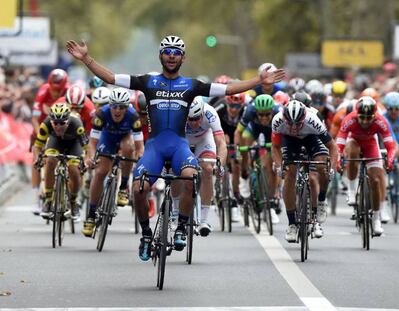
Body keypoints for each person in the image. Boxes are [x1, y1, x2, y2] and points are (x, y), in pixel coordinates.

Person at [66, 35, 285, 260]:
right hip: (154, 148)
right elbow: (110, 77)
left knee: (191, 178)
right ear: (160, 55)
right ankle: (146, 235)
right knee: (138, 190)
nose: (172, 55)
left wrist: (258, 81)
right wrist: (86, 59)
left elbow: (228, 89)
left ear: (183, 57)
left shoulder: (192, 85)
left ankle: (181, 227)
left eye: (176, 52)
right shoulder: (147, 82)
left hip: (180, 147)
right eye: (167, 51)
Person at [81, 87, 145, 237]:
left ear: (126, 107)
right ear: (110, 105)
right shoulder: (101, 114)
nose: (117, 110)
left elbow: (139, 147)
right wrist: (90, 157)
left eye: (121, 107)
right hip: (107, 139)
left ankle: (123, 187)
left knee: (128, 148)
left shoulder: (133, 116)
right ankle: (91, 215)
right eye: (114, 106)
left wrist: (141, 159)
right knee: (101, 172)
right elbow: (92, 142)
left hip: (124, 138)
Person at [271, 100, 337, 241]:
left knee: (322, 166)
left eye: (297, 124)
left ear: (303, 118)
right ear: (284, 119)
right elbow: (275, 147)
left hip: (311, 137)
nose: (294, 127)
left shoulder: (313, 121)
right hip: (289, 140)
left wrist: (331, 167)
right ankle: (292, 224)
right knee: (289, 174)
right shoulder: (277, 121)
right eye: (290, 124)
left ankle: (321, 201)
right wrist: (278, 166)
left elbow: (332, 146)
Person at [336, 96, 395, 235]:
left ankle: (376, 219)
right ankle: (351, 191)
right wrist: (338, 161)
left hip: (370, 144)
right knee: (353, 151)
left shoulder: (381, 121)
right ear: (357, 114)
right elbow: (339, 145)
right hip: (353, 141)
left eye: (369, 118)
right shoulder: (349, 119)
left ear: (375, 115)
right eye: (362, 117)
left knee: (375, 180)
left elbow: (390, 147)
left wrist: (390, 161)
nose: (365, 121)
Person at [33, 103, 88, 221]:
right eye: (55, 123)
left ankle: (73, 202)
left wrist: (85, 161)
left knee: (74, 170)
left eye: (62, 123)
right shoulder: (46, 124)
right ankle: (48, 200)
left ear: (68, 121)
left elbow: (86, 147)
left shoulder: (77, 124)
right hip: (55, 143)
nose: (58, 126)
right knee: (50, 161)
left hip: (74, 145)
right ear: (51, 121)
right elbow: (37, 146)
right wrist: (37, 158)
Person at [184, 97, 227, 236]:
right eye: (190, 119)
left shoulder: (210, 113)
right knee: (175, 170)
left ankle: (203, 220)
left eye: (197, 118)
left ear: (202, 113)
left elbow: (221, 143)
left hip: (204, 139)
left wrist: (220, 164)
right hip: (182, 139)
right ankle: (174, 212)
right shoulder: (179, 112)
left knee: (208, 169)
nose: (193, 123)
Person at [238, 94, 282, 224]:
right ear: (255, 111)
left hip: (273, 133)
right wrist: (240, 151)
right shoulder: (249, 111)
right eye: (260, 115)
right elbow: (238, 133)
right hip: (254, 130)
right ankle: (245, 173)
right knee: (245, 143)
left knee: (270, 167)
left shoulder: (279, 112)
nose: (263, 117)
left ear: (272, 111)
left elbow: (283, 136)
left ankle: (270, 204)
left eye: (267, 114)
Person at [31, 69, 70, 215]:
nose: (54, 93)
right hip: (43, 125)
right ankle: (37, 196)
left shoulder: (68, 91)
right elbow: (34, 118)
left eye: (58, 90)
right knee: (37, 156)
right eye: (53, 89)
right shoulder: (43, 91)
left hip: (62, 127)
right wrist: (40, 135)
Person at [215, 92, 249, 220]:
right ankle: (220, 180)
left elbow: (248, 131)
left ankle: (235, 192)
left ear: (242, 105)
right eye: (231, 106)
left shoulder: (246, 111)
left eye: (237, 107)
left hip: (237, 134)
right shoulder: (219, 108)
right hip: (222, 132)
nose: (234, 110)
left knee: (237, 164)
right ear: (227, 103)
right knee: (226, 141)